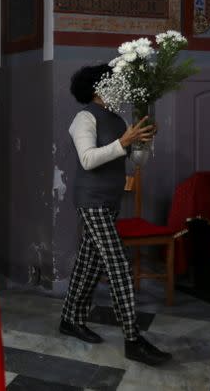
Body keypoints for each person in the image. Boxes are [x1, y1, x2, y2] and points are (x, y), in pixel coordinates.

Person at [59, 64, 172, 366]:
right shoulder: (84, 117)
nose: (121, 88)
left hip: (109, 201)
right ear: (97, 88)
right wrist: (124, 141)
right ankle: (133, 339)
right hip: (91, 201)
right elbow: (87, 159)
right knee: (119, 264)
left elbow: (137, 161)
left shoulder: (119, 119)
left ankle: (70, 319)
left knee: (88, 262)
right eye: (114, 83)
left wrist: (144, 142)